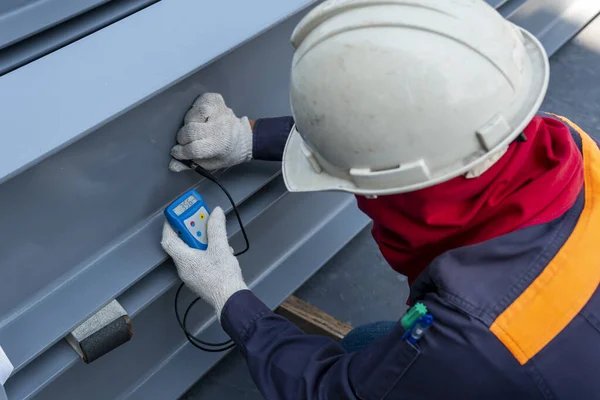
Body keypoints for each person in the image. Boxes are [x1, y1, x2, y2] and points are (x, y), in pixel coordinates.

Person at [161, 0, 600, 398]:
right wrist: (249, 137)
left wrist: (229, 298)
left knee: (375, 355)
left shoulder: (471, 335)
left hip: (520, 362)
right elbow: (410, 135)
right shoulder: (559, 145)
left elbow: (337, 392)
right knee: (373, 344)